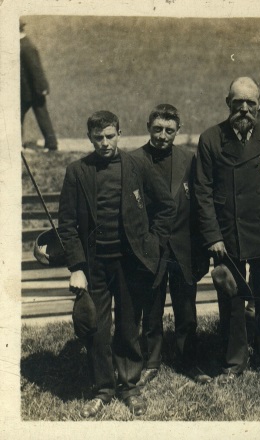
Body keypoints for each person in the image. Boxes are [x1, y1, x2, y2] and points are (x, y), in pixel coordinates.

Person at [58, 111, 175, 417]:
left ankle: (129, 386)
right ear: (89, 138)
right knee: (96, 327)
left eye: (110, 136)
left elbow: (166, 206)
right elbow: (68, 225)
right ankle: (102, 389)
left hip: (129, 262)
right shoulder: (77, 171)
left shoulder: (137, 165)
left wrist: (152, 243)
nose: (105, 143)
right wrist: (77, 268)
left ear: (120, 134)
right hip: (94, 265)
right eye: (98, 138)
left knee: (127, 325)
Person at [194, 77, 260, 381]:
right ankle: (234, 360)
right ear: (228, 103)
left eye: (250, 103)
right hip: (227, 236)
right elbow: (202, 191)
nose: (243, 109)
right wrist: (212, 235)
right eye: (237, 103)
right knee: (232, 302)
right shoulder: (212, 138)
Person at [131, 104, 211, 386]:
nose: (162, 135)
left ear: (178, 130)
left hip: (182, 247)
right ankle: (151, 362)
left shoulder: (189, 160)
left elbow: (199, 203)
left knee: (186, 307)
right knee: (151, 308)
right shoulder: (134, 160)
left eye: (169, 130)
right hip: (151, 248)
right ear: (148, 128)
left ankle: (189, 360)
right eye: (157, 129)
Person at [20, 19, 58, 152]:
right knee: (41, 115)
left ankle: (51, 143)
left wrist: (42, 88)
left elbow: (36, 70)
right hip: (30, 90)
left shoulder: (25, 46)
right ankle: (51, 143)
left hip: (32, 91)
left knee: (20, 115)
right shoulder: (24, 45)